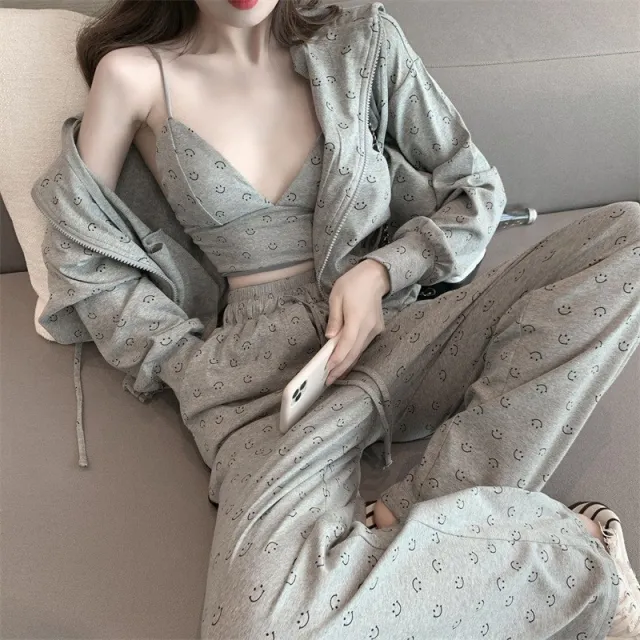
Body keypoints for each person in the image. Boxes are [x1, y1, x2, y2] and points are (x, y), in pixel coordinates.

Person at [73, 0, 640, 637]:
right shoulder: (132, 75)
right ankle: (581, 556)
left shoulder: (363, 41)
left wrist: (382, 271)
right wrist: (182, 362)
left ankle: (432, 506)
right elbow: (83, 253)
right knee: (259, 629)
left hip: (398, 330)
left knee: (629, 237)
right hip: (262, 387)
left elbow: (474, 188)